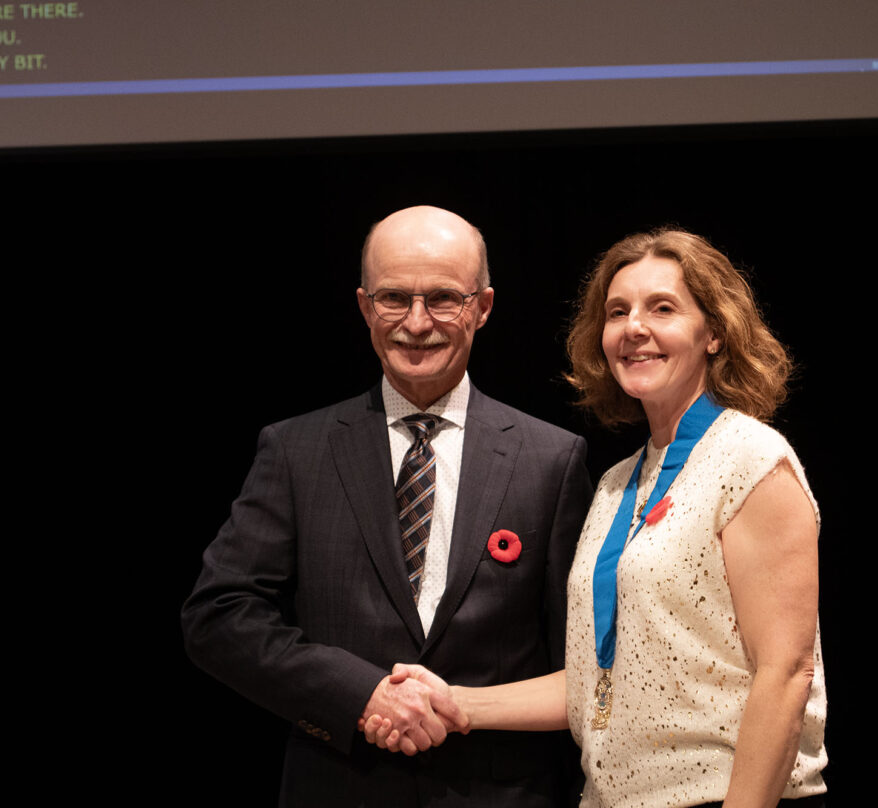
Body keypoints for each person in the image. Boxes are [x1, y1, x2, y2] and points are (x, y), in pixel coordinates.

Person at [365, 228, 827, 807]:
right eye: (617, 311)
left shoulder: (752, 460)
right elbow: (596, 679)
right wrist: (454, 703)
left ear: (714, 332)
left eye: (662, 308)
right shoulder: (617, 483)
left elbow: (785, 674)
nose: (634, 328)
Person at [181, 205, 593, 807]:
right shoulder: (295, 450)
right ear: (364, 305)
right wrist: (360, 693)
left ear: (483, 306)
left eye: (444, 299)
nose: (417, 323)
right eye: (394, 298)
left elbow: (581, 662)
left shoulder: (552, 460)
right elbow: (217, 615)